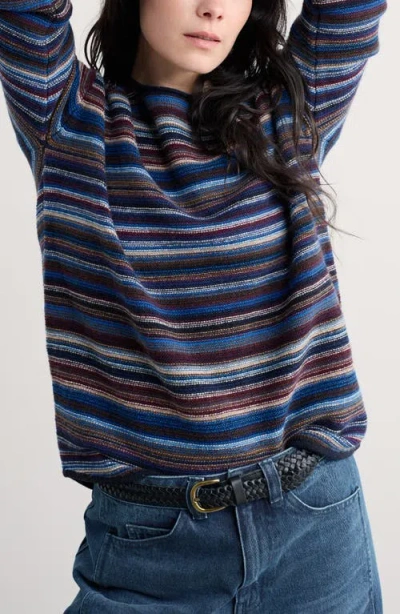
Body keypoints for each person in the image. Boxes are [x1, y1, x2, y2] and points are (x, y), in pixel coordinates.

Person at [0, 0, 387, 612]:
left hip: (314, 531)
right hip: (148, 547)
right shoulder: (67, 118)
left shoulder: (291, 111)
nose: (213, 9)